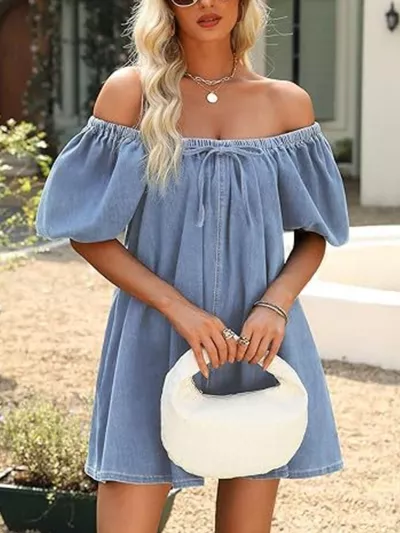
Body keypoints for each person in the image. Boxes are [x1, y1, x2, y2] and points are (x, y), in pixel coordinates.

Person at [35, 0, 350, 532]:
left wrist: (276, 305)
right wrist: (179, 310)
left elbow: (315, 232)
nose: (204, 2)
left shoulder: (285, 104)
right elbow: (88, 232)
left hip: (255, 344)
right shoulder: (131, 93)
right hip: (153, 336)